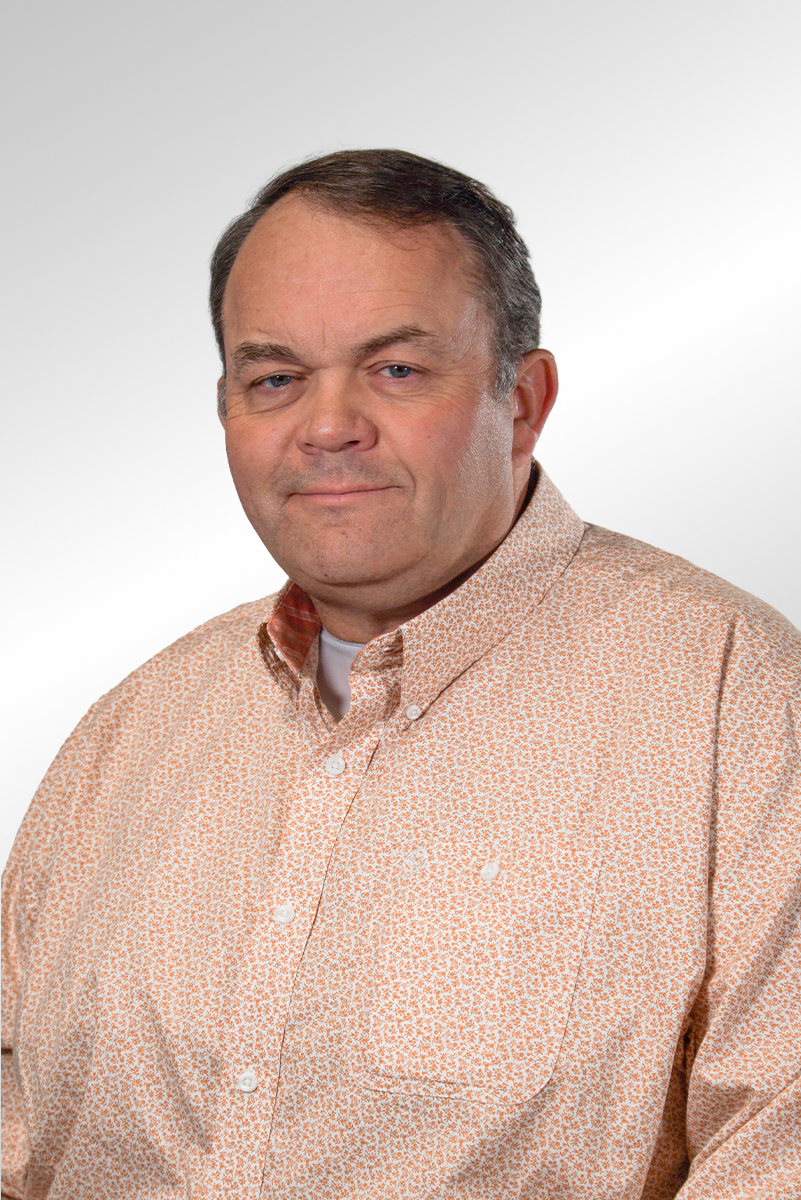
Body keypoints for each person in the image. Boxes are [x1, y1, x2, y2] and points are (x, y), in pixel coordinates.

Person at [2, 149, 799, 1200]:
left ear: (523, 399)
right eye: (276, 377)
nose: (328, 427)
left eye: (397, 369)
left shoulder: (734, 703)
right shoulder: (131, 730)